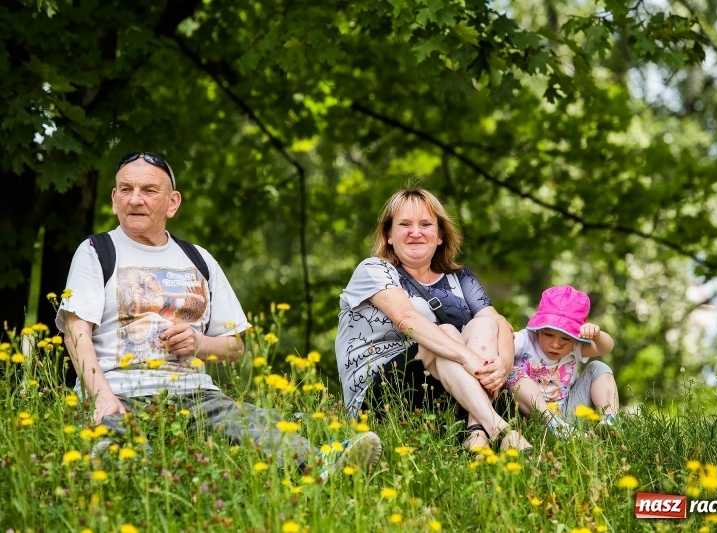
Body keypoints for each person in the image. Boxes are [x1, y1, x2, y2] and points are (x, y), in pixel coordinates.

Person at [56, 151, 381, 478]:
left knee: (255, 424)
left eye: (149, 190)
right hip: (121, 390)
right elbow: (75, 332)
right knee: (132, 447)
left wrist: (199, 343)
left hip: (196, 394)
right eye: (126, 189)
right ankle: (115, 462)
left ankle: (325, 467)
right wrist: (102, 397)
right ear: (114, 199)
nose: (135, 199)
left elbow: (235, 347)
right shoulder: (97, 251)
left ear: (172, 203)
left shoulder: (198, 259)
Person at [335, 187, 532, 453]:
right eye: (405, 224)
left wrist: (503, 365)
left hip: (447, 391)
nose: (415, 232)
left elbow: (499, 324)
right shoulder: (373, 269)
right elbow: (407, 319)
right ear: (389, 235)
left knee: (484, 324)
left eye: (426, 224)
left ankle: (476, 433)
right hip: (379, 398)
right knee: (446, 332)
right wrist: (467, 357)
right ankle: (500, 429)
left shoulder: (461, 279)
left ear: (440, 235)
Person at [505, 285, 619, 436]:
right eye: (548, 334)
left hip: (567, 413)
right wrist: (504, 336)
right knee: (511, 372)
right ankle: (553, 425)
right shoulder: (526, 339)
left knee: (598, 367)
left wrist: (597, 336)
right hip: (529, 414)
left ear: (575, 338)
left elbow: (606, 348)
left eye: (565, 338)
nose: (555, 344)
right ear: (539, 328)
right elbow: (503, 348)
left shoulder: (575, 347)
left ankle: (610, 421)